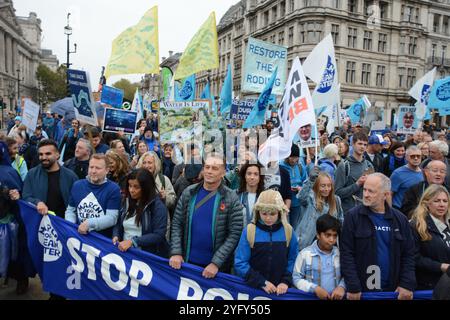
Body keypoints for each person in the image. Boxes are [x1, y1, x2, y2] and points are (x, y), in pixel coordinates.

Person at [340, 173, 416, 299]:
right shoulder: (352, 217)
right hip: (363, 291)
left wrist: (407, 284)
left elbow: (408, 254)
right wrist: (353, 286)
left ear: (385, 195)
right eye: (364, 189)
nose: (366, 194)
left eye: (371, 191)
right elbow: (346, 253)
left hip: (393, 290)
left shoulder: (400, 220)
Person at [169, 153, 243, 278]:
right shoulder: (189, 192)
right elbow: (176, 223)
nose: (209, 171)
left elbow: (234, 234)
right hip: (186, 263)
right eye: (207, 167)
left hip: (214, 270)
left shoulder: (231, 198)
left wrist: (216, 263)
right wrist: (176, 252)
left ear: (223, 172)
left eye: (215, 168)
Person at [234, 190, 298, 295]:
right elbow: (240, 262)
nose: (268, 218)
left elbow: (294, 259)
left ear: (280, 212)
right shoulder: (250, 231)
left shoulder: (288, 231)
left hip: (280, 290)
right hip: (254, 289)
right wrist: (261, 282)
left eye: (272, 213)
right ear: (258, 212)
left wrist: (285, 281)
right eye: (264, 213)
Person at [112, 169, 169, 257]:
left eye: (136, 187)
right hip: (125, 253)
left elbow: (158, 235)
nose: (131, 190)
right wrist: (116, 235)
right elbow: (118, 223)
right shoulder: (125, 201)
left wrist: (133, 242)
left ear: (146, 188)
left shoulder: (157, 206)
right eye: (130, 186)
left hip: (146, 256)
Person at [65, 154, 121, 238]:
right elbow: (70, 210)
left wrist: (89, 223)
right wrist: (71, 225)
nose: (93, 171)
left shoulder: (113, 189)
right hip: (78, 236)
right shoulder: (77, 185)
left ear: (107, 170)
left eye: (98, 168)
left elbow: (112, 218)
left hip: (100, 241)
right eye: (91, 167)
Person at [293, 214, 346, 300]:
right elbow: (296, 278)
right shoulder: (305, 254)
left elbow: (348, 274)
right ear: (318, 235)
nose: (332, 240)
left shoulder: (340, 254)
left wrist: (342, 287)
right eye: (327, 235)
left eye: (335, 235)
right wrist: (315, 289)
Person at [23, 139, 78, 218]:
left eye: (48, 154)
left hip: (61, 224)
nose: (43, 157)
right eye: (41, 154)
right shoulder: (32, 174)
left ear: (57, 155)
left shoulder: (70, 177)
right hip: (39, 222)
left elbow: (75, 202)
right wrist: (37, 203)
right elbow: (26, 196)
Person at [410, 185, 450, 290]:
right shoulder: (416, 226)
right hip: (430, 286)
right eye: (437, 201)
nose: (441, 205)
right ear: (427, 203)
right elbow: (414, 258)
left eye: (445, 201)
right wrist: (441, 266)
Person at [296, 171, 344, 250]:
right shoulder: (311, 198)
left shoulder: (336, 200)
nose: (326, 189)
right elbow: (301, 197)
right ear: (316, 186)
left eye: (329, 186)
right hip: (307, 242)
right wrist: (310, 180)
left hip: (328, 243)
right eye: (323, 186)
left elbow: (340, 220)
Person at [335, 132, 374, 214]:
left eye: (365, 144)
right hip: (349, 213)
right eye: (360, 144)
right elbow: (337, 193)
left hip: (366, 211)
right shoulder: (344, 165)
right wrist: (357, 184)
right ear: (353, 144)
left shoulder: (369, 165)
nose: (362, 147)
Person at [279, 144, 307, 230]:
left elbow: (306, 182)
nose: (294, 160)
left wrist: (300, 188)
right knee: (284, 227)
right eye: (291, 157)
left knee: (295, 227)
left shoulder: (300, 167)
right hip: (283, 202)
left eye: (296, 157)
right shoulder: (280, 166)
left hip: (296, 202)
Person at [390, 146, 424, 210]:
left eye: (418, 156)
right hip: (400, 209)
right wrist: (390, 212)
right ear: (406, 157)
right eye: (412, 156)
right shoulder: (398, 173)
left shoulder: (424, 173)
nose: (416, 158)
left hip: (417, 210)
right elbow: (389, 194)